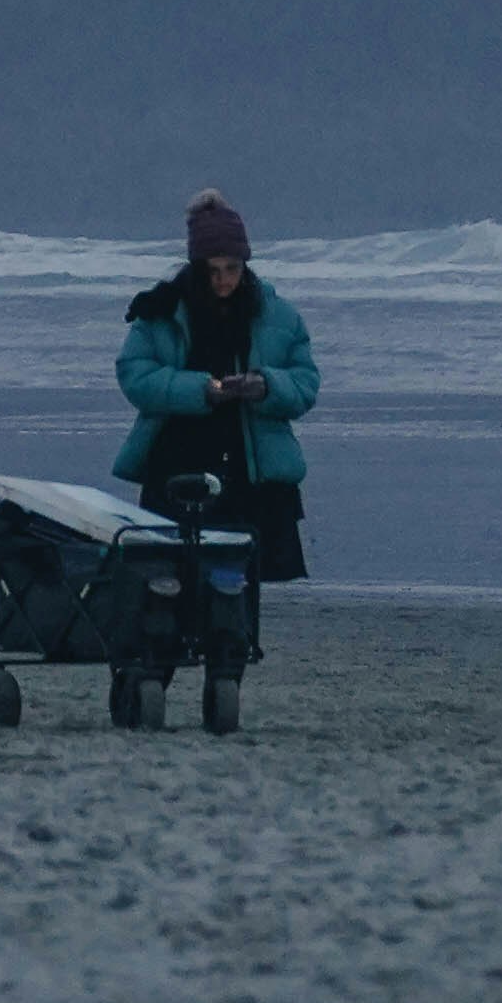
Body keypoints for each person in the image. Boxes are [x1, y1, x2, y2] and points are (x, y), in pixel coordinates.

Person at [113, 195, 320, 727]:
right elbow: (134, 377)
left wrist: (266, 386)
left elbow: (306, 383)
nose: (224, 280)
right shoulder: (160, 311)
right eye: (214, 271)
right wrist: (199, 390)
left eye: (233, 269)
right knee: (166, 579)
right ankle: (151, 679)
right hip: (176, 468)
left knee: (235, 583)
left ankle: (224, 678)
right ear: (197, 267)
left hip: (249, 472)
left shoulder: (279, 314)